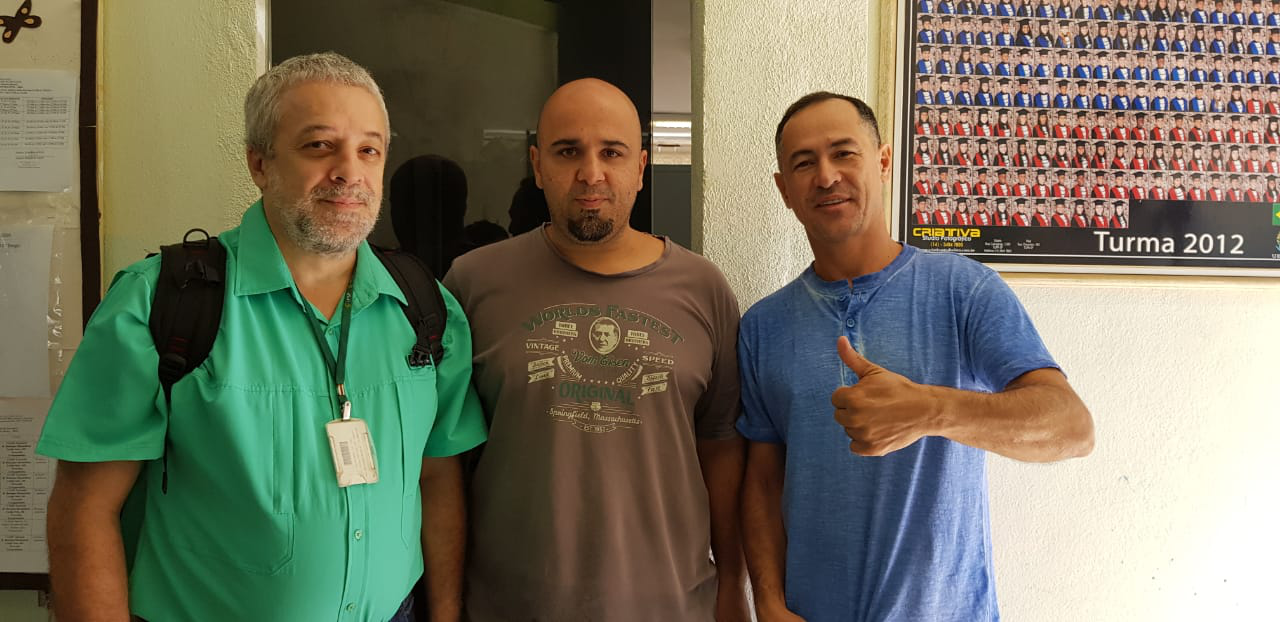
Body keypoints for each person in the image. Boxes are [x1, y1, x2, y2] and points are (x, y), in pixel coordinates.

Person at [37, 53, 487, 621]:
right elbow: (84, 510)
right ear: (259, 163)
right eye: (320, 146)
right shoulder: (162, 303)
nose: (350, 171)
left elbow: (437, 476)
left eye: (369, 149)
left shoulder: (426, 307)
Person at [738, 91, 1094, 621]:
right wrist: (767, 602)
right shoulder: (762, 326)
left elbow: (1072, 428)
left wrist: (932, 410)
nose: (827, 176)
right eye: (804, 163)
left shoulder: (963, 289)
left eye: (844, 153)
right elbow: (763, 480)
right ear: (784, 189)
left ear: (883, 162)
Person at [443, 78, 749, 621]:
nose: (591, 174)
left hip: (672, 606)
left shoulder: (703, 288)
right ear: (537, 165)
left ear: (641, 166)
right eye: (568, 152)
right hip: (511, 607)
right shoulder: (473, 283)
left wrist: (732, 589)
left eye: (612, 152)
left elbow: (721, 447)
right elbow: (444, 461)